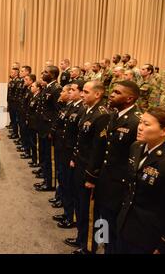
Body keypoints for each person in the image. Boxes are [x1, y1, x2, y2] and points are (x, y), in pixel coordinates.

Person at [117, 107, 165, 254]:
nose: (140, 127)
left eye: (147, 124)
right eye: (140, 122)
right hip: (127, 224)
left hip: (151, 234)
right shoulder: (136, 147)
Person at [96, 81, 141, 254]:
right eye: (112, 91)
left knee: (114, 227)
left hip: (119, 184)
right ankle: (103, 247)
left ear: (129, 98)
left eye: (117, 92)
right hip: (105, 178)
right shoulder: (115, 114)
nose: (111, 94)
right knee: (102, 220)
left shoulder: (136, 121)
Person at [69, 80, 110, 254]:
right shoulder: (88, 109)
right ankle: (81, 238)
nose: (82, 94)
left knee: (92, 211)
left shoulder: (102, 115)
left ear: (97, 94)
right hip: (81, 164)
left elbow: (99, 149)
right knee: (81, 205)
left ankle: (90, 247)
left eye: (86, 92)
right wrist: (74, 158)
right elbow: (81, 140)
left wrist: (92, 176)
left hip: (89, 170)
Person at [58, 80, 85, 231]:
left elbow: (79, 137)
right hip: (65, 149)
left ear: (81, 92)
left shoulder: (82, 109)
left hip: (71, 153)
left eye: (72, 90)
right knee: (64, 181)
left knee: (70, 185)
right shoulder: (71, 105)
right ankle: (66, 212)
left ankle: (70, 217)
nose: (69, 92)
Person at [35, 66, 62, 192]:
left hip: (48, 128)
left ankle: (50, 183)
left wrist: (53, 129)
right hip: (43, 126)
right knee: (44, 154)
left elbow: (58, 112)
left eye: (46, 72)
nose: (43, 73)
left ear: (52, 75)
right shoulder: (48, 87)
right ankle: (45, 179)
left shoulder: (56, 89)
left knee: (48, 156)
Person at [50, 84, 72, 208]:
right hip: (60, 144)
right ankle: (60, 196)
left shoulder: (73, 109)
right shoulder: (66, 107)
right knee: (60, 173)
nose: (60, 94)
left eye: (63, 91)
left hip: (66, 147)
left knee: (65, 176)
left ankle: (63, 200)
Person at [27, 81, 42, 169]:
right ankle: (34, 159)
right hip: (31, 122)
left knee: (35, 143)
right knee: (32, 141)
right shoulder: (33, 96)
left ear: (38, 88)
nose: (31, 87)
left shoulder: (39, 97)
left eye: (33, 86)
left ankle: (36, 161)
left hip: (35, 123)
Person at [7, 67, 20, 138]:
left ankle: (15, 133)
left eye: (12, 72)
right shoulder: (12, 81)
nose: (10, 73)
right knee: (12, 118)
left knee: (15, 118)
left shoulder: (17, 81)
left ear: (16, 73)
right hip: (11, 102)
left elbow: (16, 94)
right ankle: (14, 131)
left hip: (15, 103)